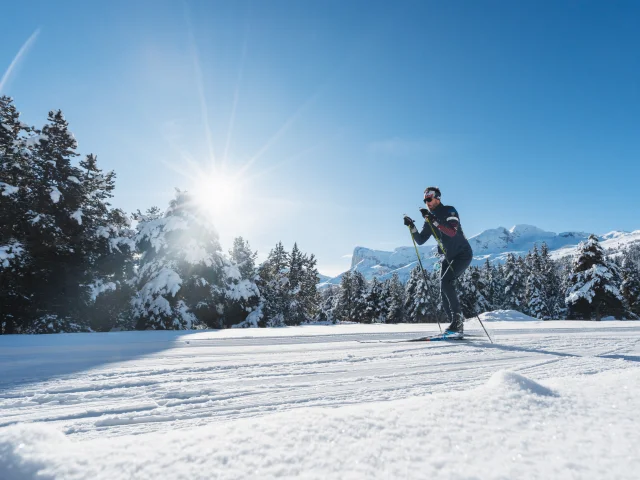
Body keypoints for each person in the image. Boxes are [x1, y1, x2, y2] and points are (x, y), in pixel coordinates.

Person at [403, 186, 473, 338]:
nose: (427, 202)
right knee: (443, 289)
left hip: (462, 254)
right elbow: (420, 240)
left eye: (429, 199)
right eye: (425, 200)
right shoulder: (430, 218)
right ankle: (455, 325)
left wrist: (432, 219)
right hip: (448, 256)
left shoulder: (449, 211)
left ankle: (458, 323)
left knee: (447, 282)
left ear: (437, 198)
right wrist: (411, 226)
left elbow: (451, 232)